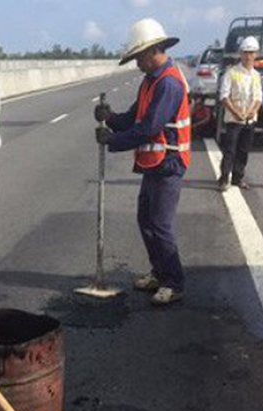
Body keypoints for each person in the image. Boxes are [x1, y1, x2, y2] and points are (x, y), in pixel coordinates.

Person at [94, 18, 190, 305]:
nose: (136, 64)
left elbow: (149, 128)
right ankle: (159, 273)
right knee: (146, 219)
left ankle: (174, 282)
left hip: (169, 163)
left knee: (160, 224)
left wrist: (113, 141)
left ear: (153, 51)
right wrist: (110, 118)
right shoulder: (150, 82)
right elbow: (132, 120)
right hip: (154, 163)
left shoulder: (169, 84)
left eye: (138, 57)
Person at [217, 36, 263, 191]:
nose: (248, 56)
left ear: (256, 54)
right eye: (245, 52)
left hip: (250, 120)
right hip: (233, 120)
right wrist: (236, 113)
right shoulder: (231, 73)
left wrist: (252, 112)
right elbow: (224, 96)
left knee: (243, 151)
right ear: (241, 53)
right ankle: (224, 178)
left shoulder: (256, 75)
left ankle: (238, 178)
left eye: (251, 52)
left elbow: (258, 98)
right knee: (230, 150)